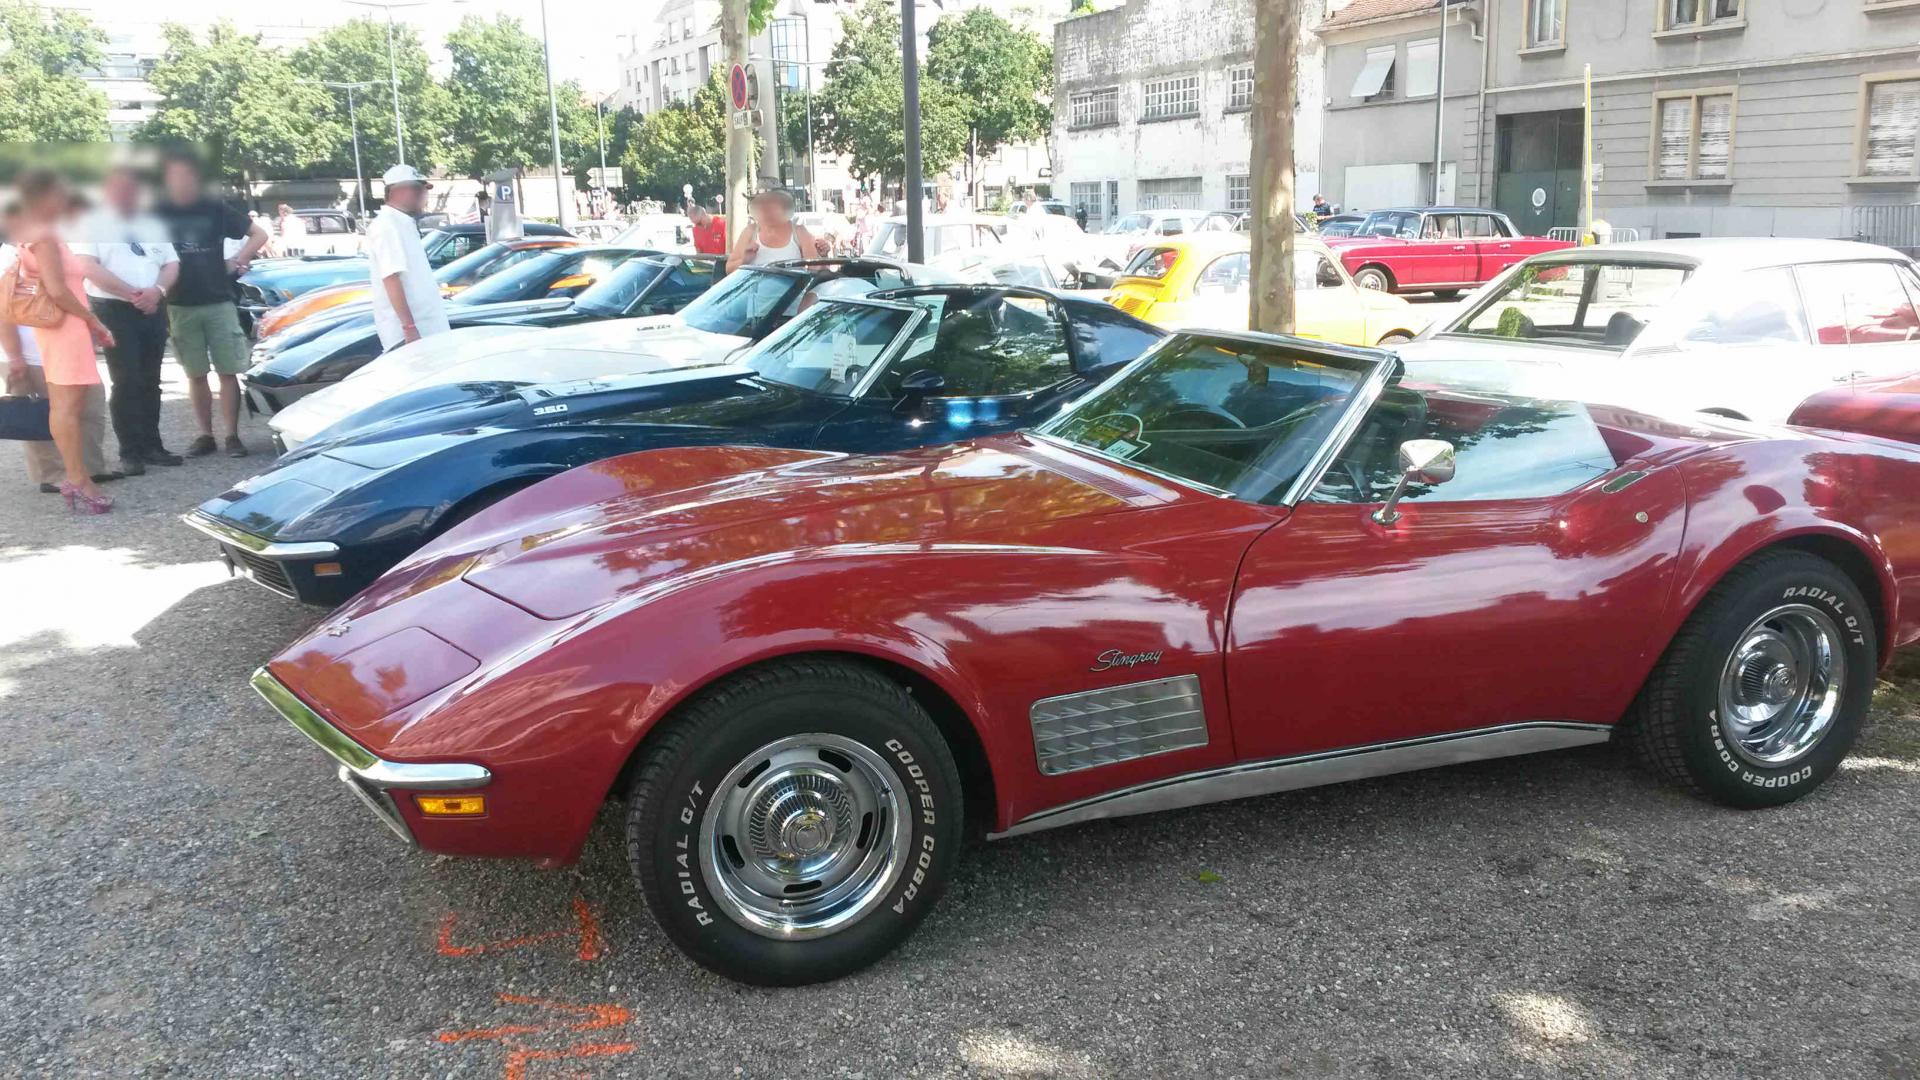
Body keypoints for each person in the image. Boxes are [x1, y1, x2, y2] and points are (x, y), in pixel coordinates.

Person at [6, 172, 118, 512]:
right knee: (67, 408)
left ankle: (77, 477)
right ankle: (78, 479)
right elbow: (57, 290)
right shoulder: (44, 237)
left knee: (67, 406)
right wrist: (93, 321)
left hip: (61, 328)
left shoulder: (33, 235)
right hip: (65, 327)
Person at [155, 150, 267, 458]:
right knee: (195, 373)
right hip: (179, 302)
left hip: (218, 299)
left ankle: (232, 435)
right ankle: (205, 434)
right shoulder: (159, 213)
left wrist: (240, 258)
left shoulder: (214, 209)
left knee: (228, 370)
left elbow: (259, 233)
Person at [73, 165, 180, 476]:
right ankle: (130, 451)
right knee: (127, 381)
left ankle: (152, 445)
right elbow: (87, 267)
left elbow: (171, 263)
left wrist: (157, 291)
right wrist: (134, 294)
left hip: (152, 307)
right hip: (114, 309)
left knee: (151, 380)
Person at [364, 164, 450, 352]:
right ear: (399, 190)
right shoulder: (387, 226)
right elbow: (392, 278)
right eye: (418, 189)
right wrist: (409, 327)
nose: (424, 196)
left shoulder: (402, 223)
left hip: (425, 330)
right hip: (412, 334)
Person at [726, 189, 820, 273]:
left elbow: (815, 269)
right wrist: (744, 260)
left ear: (784, 206)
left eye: (771, 205)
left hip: (793, 291)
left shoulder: (800, 232)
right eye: (761, 204)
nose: (765, 210)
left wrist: (822, 253)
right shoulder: (750, 232)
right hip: (755, 291)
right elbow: (729, 270)